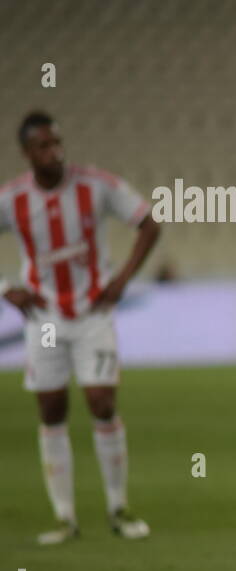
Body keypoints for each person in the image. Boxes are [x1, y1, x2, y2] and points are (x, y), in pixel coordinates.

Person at [0, 112, 161, 543]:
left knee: (101, 401)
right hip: (45, 318)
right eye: (44, 146)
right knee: (52, 408)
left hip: (93, 313)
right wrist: (5, 288)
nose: (55, 152)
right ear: (27, 153)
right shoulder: (13, 198)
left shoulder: (95, 185)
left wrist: (123, 279)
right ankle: (64, 517)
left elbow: (149, 222)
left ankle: (118, 508)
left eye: (57, 143)